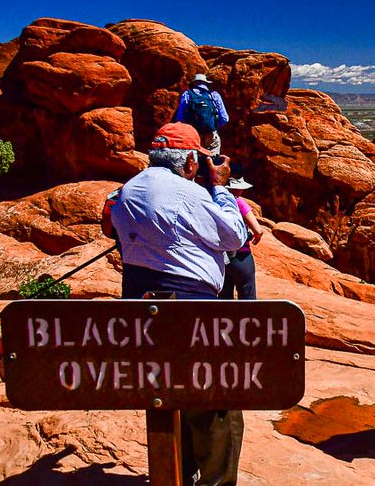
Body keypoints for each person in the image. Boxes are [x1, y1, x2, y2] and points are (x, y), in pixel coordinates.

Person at [111, 121, 247, 486]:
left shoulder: (128, 190)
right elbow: (235, 236)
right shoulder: (189, 193)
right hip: (188, 309)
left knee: (167, 395)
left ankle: (178, 476)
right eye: (198, 161)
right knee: (217, 403)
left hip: (141, 312)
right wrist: (219, 187)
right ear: (189, 160)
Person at [220, 176, 264, 300]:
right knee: (247, 300)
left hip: (222, 259)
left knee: (224, 300)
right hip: (241, 257)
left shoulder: (215, 200)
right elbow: (258, 230)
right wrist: (253, 236)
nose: (241, 191)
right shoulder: (238, 202)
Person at [175, 73, 230, 156]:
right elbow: (225, 118)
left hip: (193, 135)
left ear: (194, 83)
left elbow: (180, 118)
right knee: (212, 162)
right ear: (206, 83)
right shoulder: (214, 95)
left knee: (194, 162)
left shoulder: (187, 95)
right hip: (211, 134)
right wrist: (213, 126)